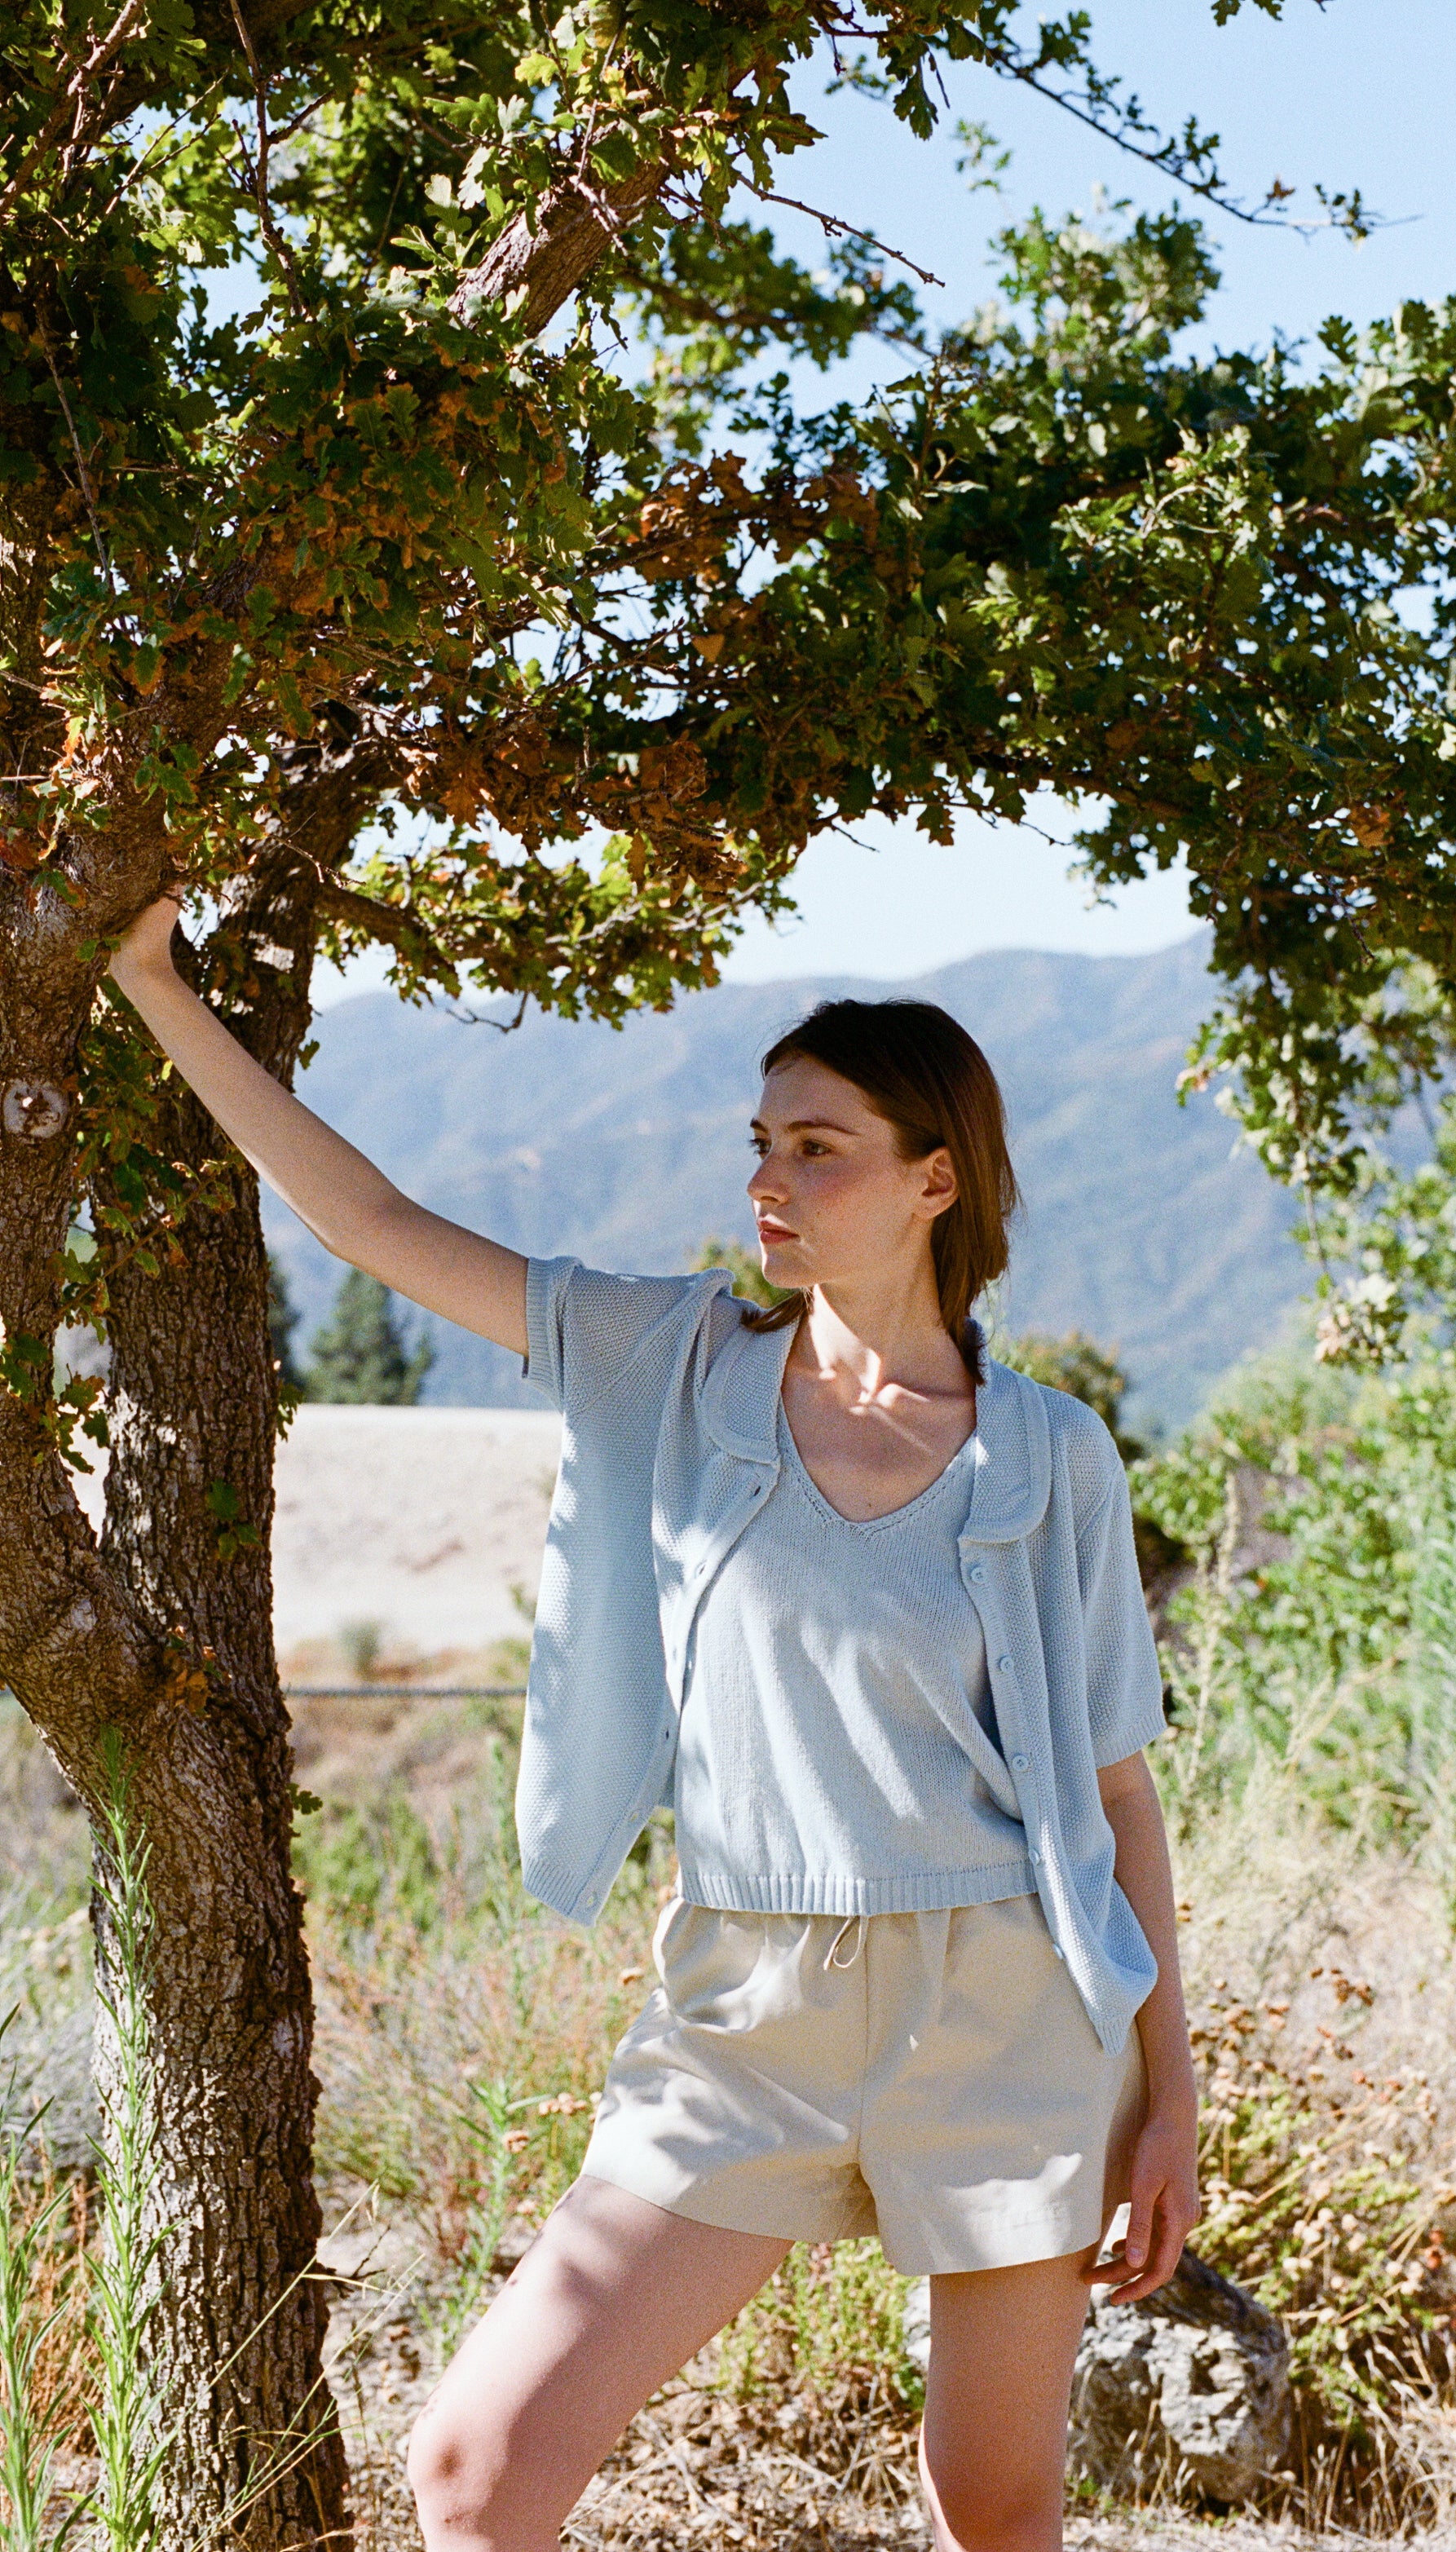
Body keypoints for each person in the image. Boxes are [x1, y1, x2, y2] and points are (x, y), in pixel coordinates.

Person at [108, 898, 1201, 2552]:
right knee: (477, 2465)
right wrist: (150, 984)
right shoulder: (671, 1357)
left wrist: (1171, 2091)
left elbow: (1118, 1788)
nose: (769, 1178)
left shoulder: (1051, 1455)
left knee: (994, 2506)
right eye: (760, 1140)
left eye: (819, 1146)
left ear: (937, 1175)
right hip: (741, 2014)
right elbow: (371, 1219)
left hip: (1007, 2014)